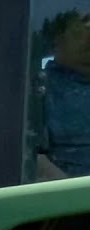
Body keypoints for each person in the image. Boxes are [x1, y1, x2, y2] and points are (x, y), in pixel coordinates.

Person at [36, 9, 90, 180]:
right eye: (84, 28)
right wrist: (76, 193)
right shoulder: (32, 94)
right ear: (57, 39)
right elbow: (31, 160)